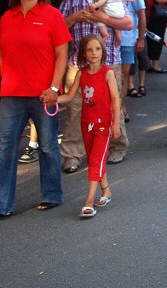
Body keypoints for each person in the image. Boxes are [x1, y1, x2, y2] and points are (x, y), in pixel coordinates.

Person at [0, 0, 71, 219]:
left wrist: (55, 88)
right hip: (11, 94)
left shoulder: (52, 15)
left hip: (43, 94)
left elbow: (62, 54)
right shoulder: (7, 17)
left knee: (48, 146)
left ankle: (51, 195)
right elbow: (0, 56)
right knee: (5, 148)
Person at [59, 0, 132, 172]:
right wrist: (75, 18)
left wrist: (103, 19)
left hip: (109, 61)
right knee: (75, 108)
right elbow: (58, 27)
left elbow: (128, 23)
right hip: (78, 64)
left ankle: (117, 146)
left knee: (112, 104)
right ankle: (73, 154)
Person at [56, 34, 121, 218]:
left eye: (98, 49)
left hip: (103, 124)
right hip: (87, 123)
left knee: (95, 160)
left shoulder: (107, 73)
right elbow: (69, 96)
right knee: (96, 159)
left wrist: (116, 124)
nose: (94, 53)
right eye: (90, 50)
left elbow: (115, 100)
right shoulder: (81, 73)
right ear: (83, 53)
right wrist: (53, 100)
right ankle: (106, 191)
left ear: (103, 51)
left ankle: (89, 201)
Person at [105, 0, 146, 124]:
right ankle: (108, 108)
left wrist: (141, 38)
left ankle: (121, 106)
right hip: (107, 41)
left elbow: (141, 14)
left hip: (127, 41)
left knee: (123, 76)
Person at [143, 0, 167, 74]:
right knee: (157, 41)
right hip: (158, 18)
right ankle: (156, 65)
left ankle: (148, 63)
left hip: (148, 16)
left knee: (149, 41)